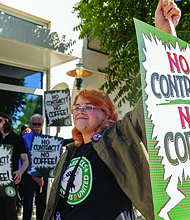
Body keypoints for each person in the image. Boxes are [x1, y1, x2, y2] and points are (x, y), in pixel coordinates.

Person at [43, 1, 181, 220]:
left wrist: (164, 39)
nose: (79, 111)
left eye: (88, 107)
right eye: (76, 107)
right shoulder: (69, 151)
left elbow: (152, 105)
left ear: (106, 113)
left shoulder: (120, 137)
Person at [0, 112, 29, 220]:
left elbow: (25, 160)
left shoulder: (17, 139)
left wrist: (20, 172)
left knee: (11, 213)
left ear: (3, 121)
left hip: (10, 181)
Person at [20, 114, 48, 220]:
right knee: (28, 204)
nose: (36, 126)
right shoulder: (24, 139)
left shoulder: (48, 139)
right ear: (31, 124)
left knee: (42, 204)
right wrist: (34, 176)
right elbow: (23, 159)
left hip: (43, 174)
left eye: (39, 124)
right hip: (28, 175)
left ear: (42, 125)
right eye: (34, 124)